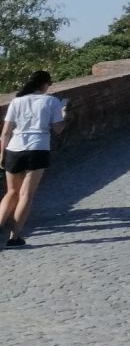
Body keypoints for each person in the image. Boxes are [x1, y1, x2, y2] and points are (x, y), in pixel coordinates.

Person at [0, 70, 68, 246]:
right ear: (44, 84)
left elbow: (5, 133)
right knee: (26, 195)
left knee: (11, 192)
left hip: (14, 147)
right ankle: (14, 237)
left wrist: (2, 154)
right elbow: (58, 129)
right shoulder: (52, 102)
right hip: (38, 148)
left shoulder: (16, 101)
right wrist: (64, 113)